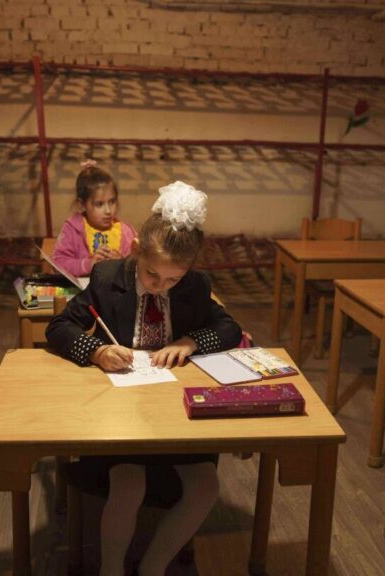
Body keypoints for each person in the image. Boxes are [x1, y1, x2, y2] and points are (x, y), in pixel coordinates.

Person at [47, 181, 241, 576]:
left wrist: (190, 341)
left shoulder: (194, 287)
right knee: (129, 484)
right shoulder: (106, 278)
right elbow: (59, 326)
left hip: (176, 415)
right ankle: (112, 569)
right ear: (136, 252)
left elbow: (229, 329)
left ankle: (154, 566)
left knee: (206, 487)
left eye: (172, 280)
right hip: (122, 413)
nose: (159, 286)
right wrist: (97, 351)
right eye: (152, 274)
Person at [52, 159, 137, 277]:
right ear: (82, 205)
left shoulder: (126, 232)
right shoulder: (72, 229)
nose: (108, 211)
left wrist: (122, 263)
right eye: (99, 204)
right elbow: (58, 263)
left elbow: (140, 265)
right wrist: (88, 264)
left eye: (112, 202)